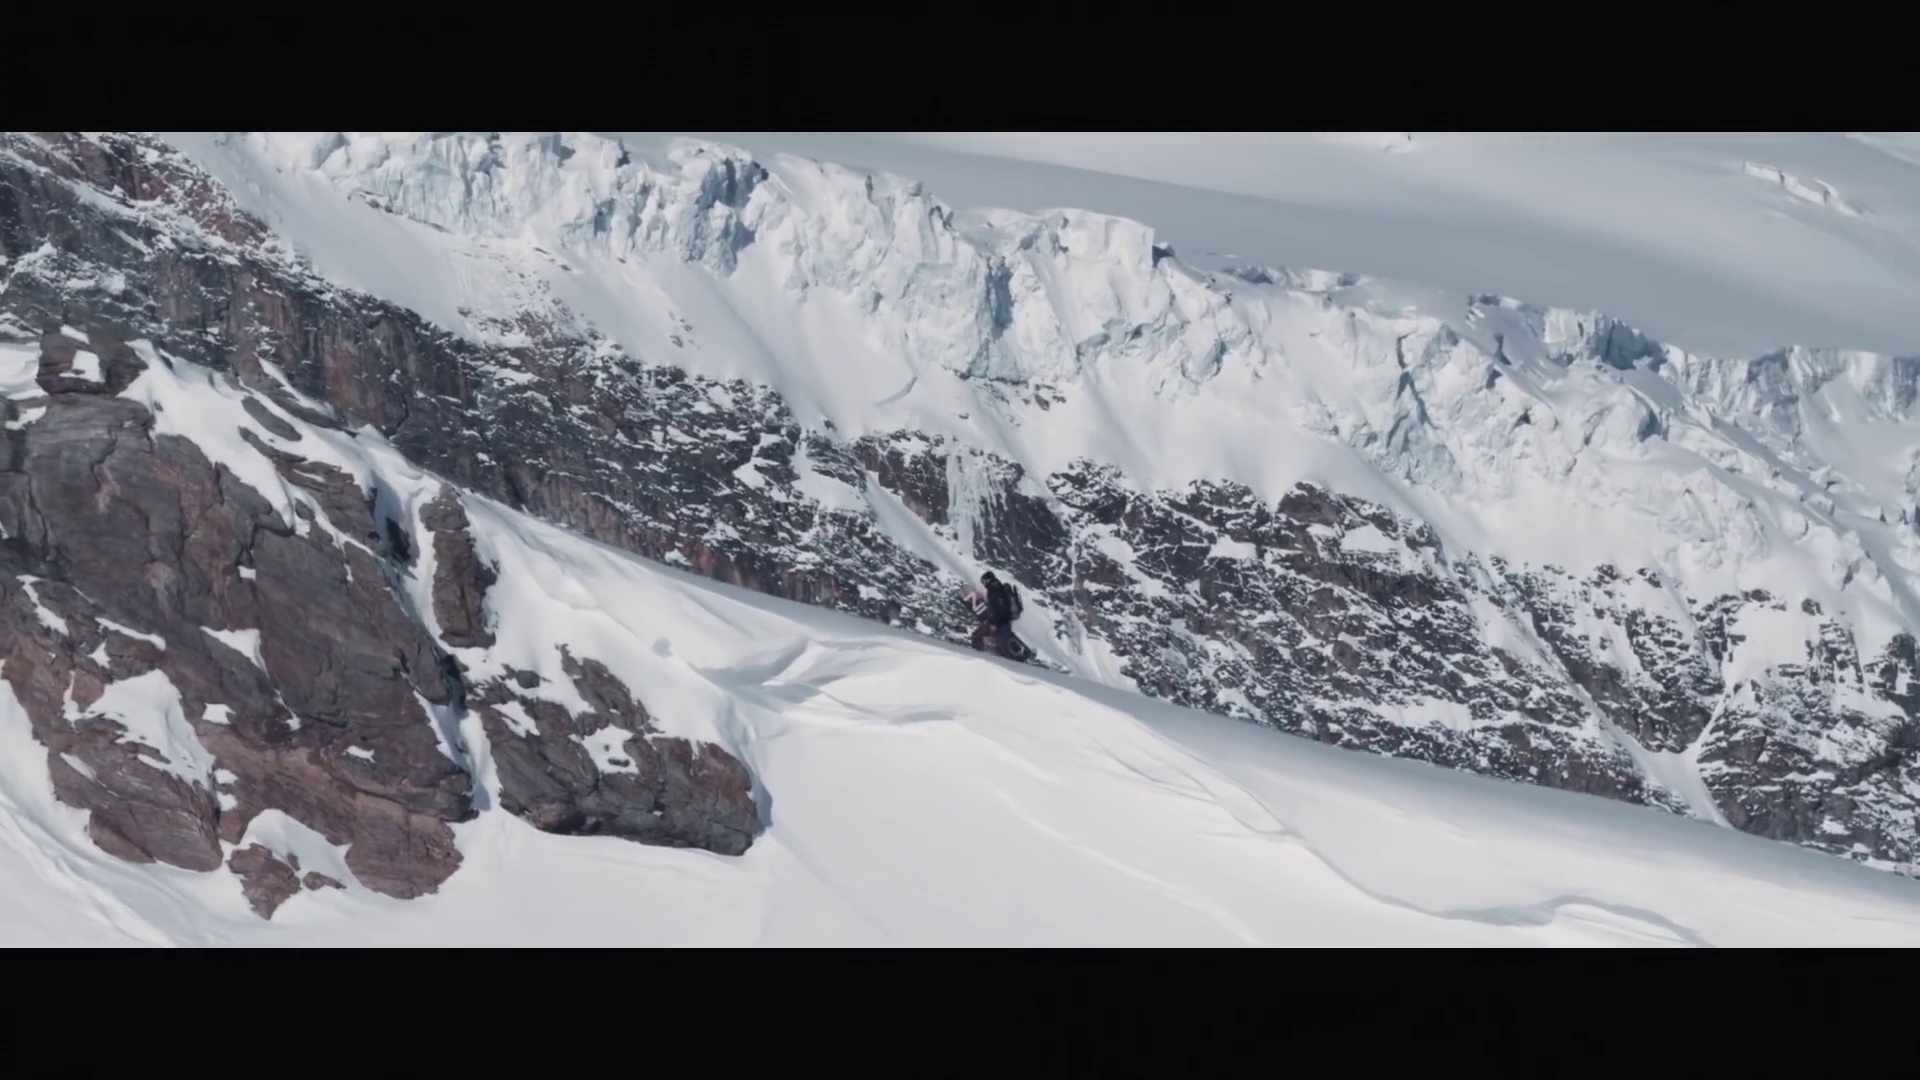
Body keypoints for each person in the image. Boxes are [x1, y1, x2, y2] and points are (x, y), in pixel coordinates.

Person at [965, 571, 1018, 659]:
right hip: (1005, 621)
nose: (984, 584)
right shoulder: (999, 588)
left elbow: (997, 607)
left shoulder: (994, 590)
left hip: (999, 622)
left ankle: (980, 657)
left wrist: (993, 622)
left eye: (983, 581)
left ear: (987, 580)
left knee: (981, 636)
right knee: (1002, 643)